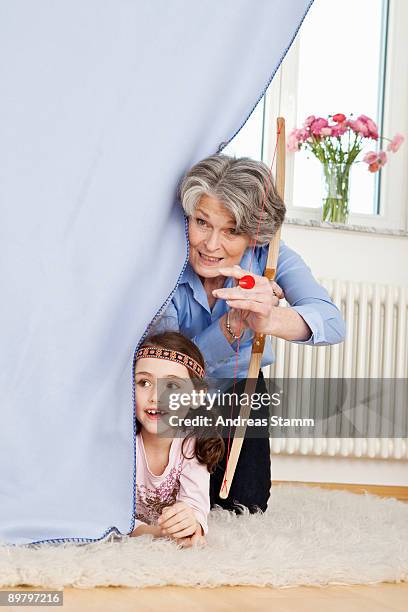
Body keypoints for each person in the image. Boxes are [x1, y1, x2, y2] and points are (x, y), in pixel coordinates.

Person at [153, 154, 346, 513]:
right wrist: (231, 326)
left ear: (254, 235)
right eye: (201, 223)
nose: (211, 244)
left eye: (231, 231)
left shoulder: (270, 254)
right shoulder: (165, 260)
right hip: (174, 399)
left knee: (246, 505)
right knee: (171, 501)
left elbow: (331, 322)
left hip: (241, 396)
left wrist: (266, 320)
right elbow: (166, 368)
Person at [131, 330, 224, 548]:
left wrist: (191, 525)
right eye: (144, 383)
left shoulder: (192, 442)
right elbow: (109, 516)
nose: (156, 397)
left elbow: (195, 505)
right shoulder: (122, 444)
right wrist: (154, 533)